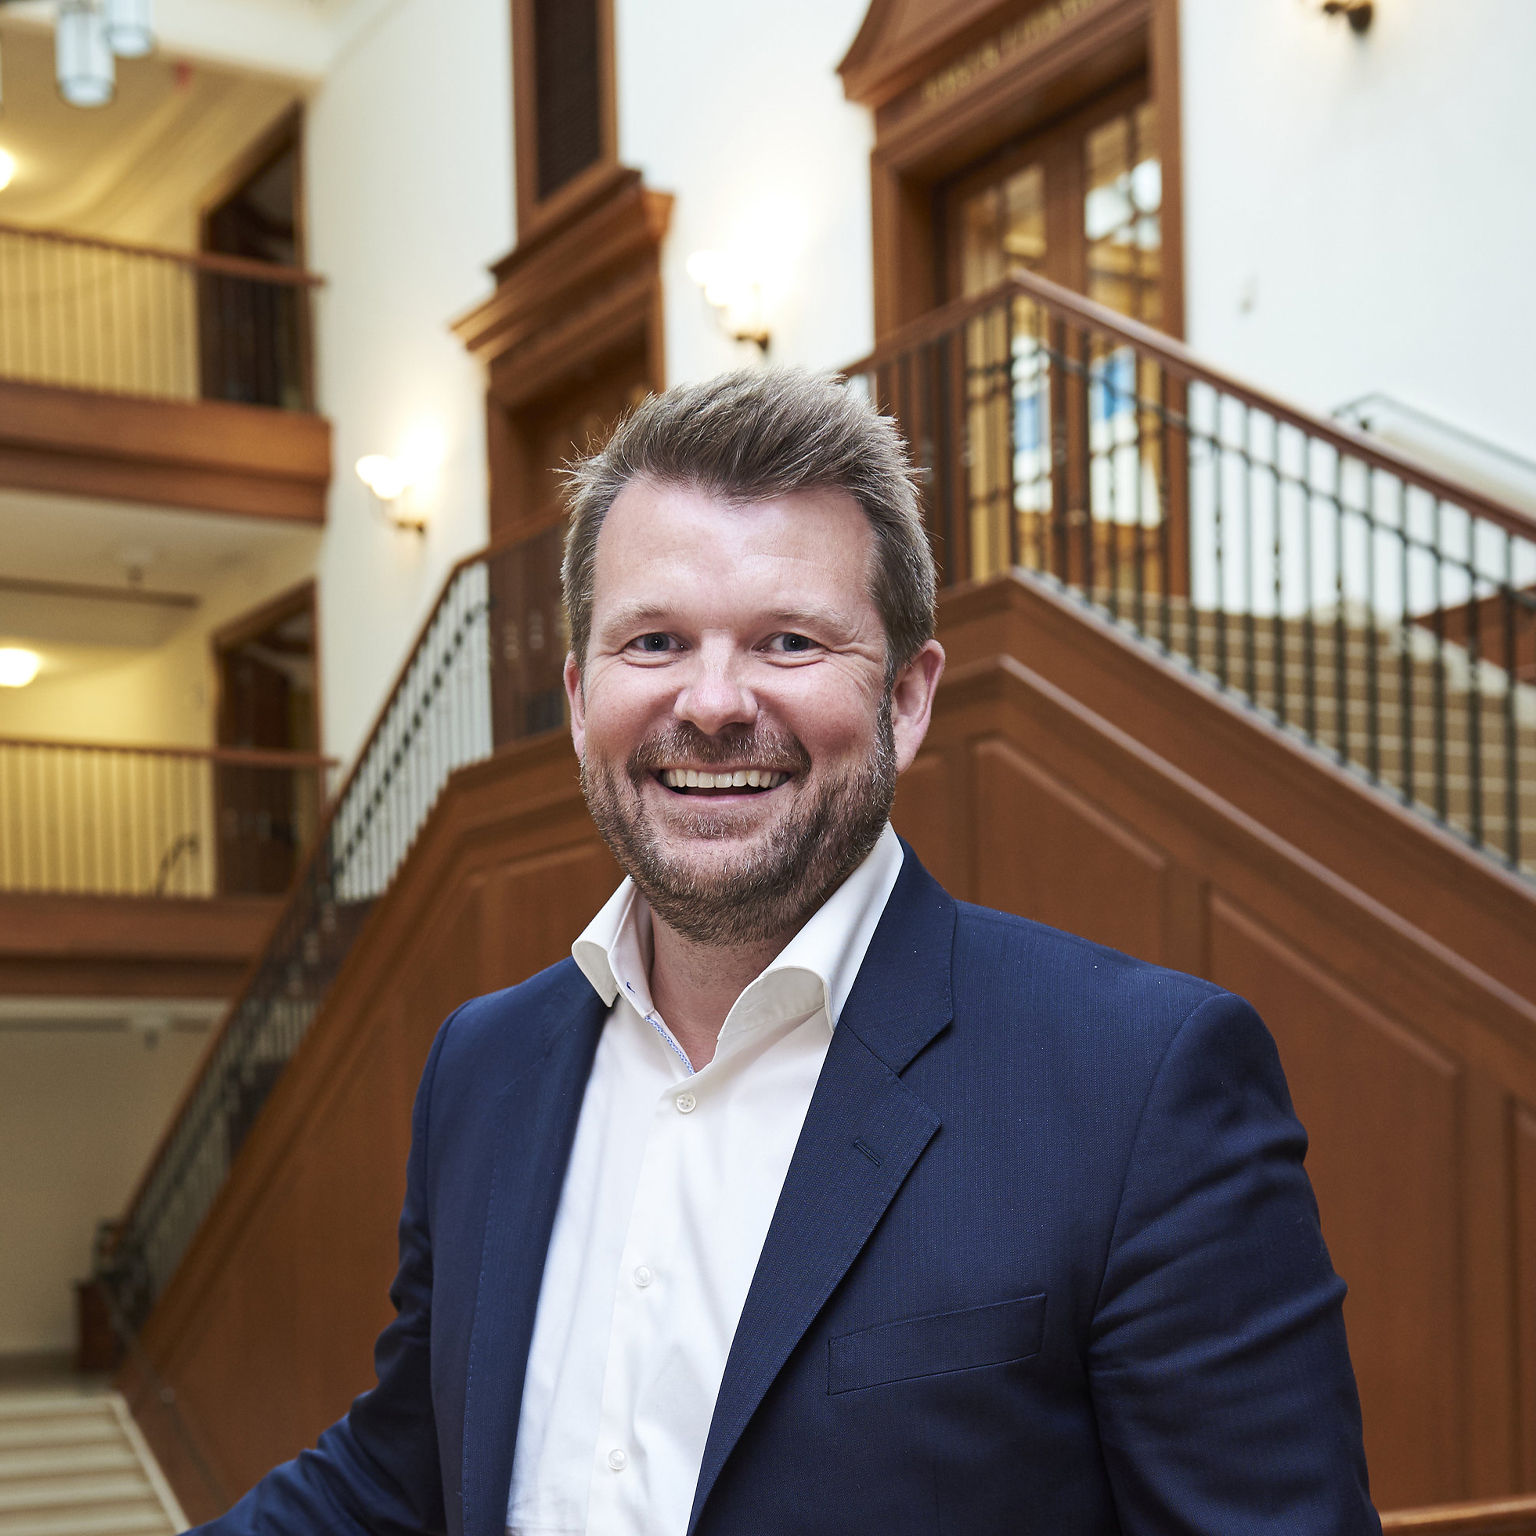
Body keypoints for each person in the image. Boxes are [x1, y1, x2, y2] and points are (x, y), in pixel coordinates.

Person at [199, 370, 1379, 1535]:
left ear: (908, 700)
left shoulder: (1142, 1086)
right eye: (653, 641)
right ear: (576, 696)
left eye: (789, 642)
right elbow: (410, 1470)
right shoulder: (483, 1067)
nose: (712, 703)